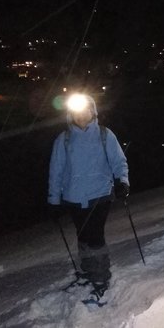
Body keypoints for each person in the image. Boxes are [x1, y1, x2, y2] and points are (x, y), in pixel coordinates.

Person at [48, 93, 129, 303]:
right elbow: (56, 172)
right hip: (74, 198)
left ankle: (101, 277)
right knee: (83, 236)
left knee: (95, 236)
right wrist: (53, 201)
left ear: (93, 112)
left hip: (100, 194)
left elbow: (118, 161)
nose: (82, 115)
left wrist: (122, 181)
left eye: (86, 111)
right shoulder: (64, 139)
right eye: (77, 112)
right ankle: (87, 271)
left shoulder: (104, 134)